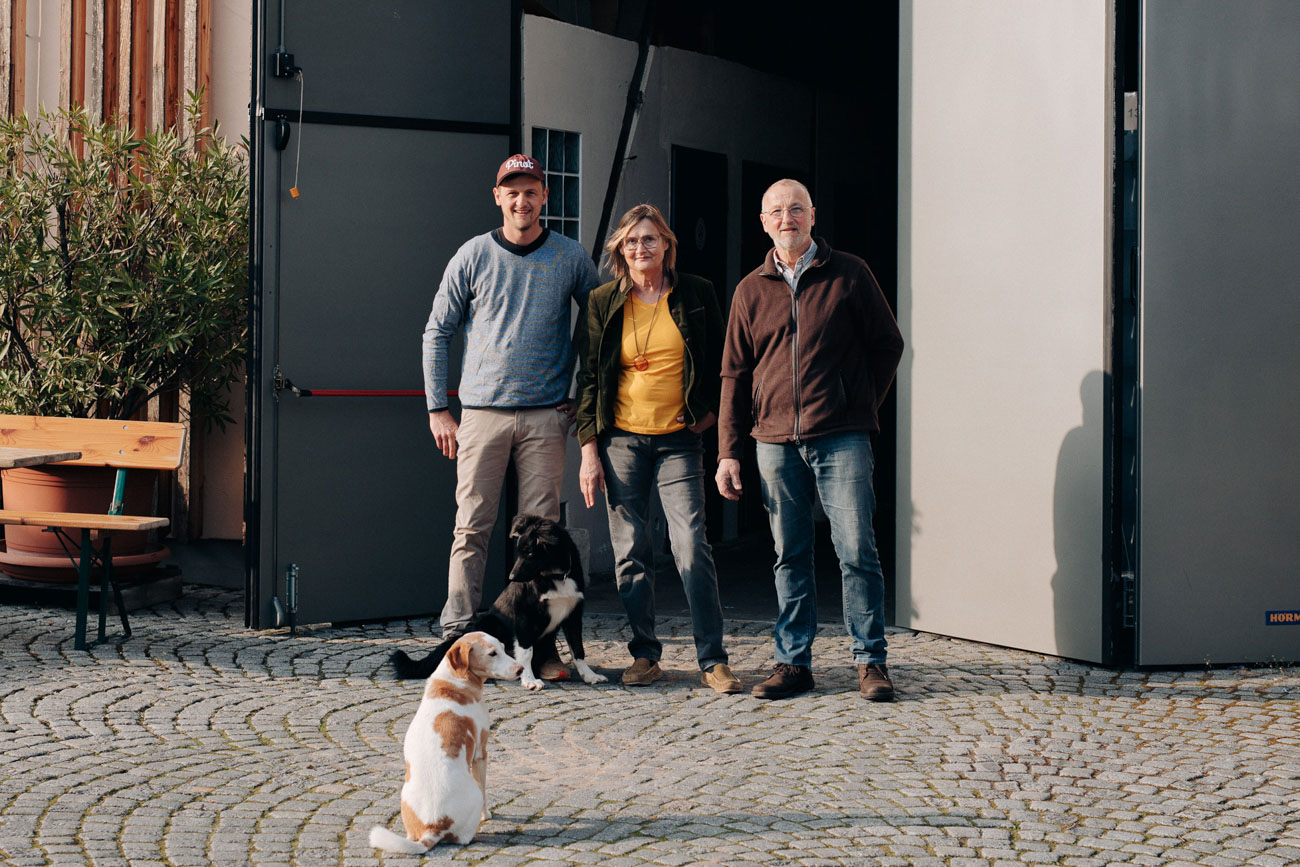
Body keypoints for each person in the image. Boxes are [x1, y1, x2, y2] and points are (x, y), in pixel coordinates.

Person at [715, 179, 904, 701]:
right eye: (775, 210)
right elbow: (733, 373)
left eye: (796, 208)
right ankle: (793, 663)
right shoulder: (750, 289)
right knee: (788, 554)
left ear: (813, 216)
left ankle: (871, 662)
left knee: (857, 551)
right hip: (773, 440)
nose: (786, 217)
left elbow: (888, 343)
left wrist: (859, 402)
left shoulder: (849, 273)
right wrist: (728, 451)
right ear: (763, 221)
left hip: (841, 436)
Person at [422, 154, 599, 679]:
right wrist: (438, 408)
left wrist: (576, 393)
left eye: (531, 191)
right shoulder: (473, 255)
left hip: (547, 418)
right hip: (481, 414)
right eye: (512, 192)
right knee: (471, 527)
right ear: (497, 196)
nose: (522, 201)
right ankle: (459, 642)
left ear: (545, 197)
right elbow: (437, 330)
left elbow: (597, 329)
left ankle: (539, 651)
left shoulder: (570, 258)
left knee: (544, 541)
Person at [574, 203, 741, 695]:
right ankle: (645, 655)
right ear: (620, 251)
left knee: (691, 547)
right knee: (631, 552)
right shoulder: (603, 301)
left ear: (666, 244)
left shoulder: (696, 293)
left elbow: (722, 362)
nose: (640, 248)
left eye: (649, 239)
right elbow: (587, 379)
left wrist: (708, 414)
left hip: (678, 442)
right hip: (620, 440)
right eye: (631, 242)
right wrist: (588, 449)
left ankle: (713, 658)